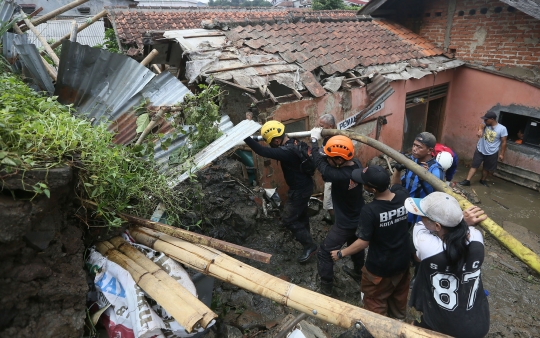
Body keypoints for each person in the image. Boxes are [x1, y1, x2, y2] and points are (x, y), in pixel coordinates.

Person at [405, 192, 490, 338]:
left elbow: (419, 252)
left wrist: (462, 219)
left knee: (412, 329)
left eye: (423, 216)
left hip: (442, 325)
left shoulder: (425, 244)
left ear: (437, 225)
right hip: (479, 323)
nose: (421, 219)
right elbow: (460, 232)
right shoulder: (477, 237)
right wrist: (461, 220)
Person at [330, 166, 410, 319]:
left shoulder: (370, 210)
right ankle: (399, 322)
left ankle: (379, 330)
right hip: (402, 262)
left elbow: (363, 242)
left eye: (364, 183)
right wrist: (398, 171)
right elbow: (396, 185)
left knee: (374, 302)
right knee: (399, 297)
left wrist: (341, 253)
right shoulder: (402, 196)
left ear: (372, 189)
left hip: (380, 269)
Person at [244, 121, 318, 263]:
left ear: (277, 140)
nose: (271, 145)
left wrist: (245, 138)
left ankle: (310, 246)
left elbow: (262, 151)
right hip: (305, 185)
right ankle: (306, 236)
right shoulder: (293, 142)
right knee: (301, 214)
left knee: (288, 219)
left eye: (271, 142)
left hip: (299, 190)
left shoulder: (287, 152)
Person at [310, 128, 364, 296]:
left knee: (325, 253)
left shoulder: (340, 175)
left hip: (346, 221)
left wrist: (313, 141)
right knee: (356, 246)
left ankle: (326, 289)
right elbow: (328, 165)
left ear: (340, 160)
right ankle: (359, 273)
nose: (327, 160)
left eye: (330, 158)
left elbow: (323, 169)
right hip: (359, 216)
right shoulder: (356, 164)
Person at [395, 132, 444, 225]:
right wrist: (398, 169)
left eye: (419, 147)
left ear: (429, 150)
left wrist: (424, 178)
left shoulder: (435, 170)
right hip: (404, 209)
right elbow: (401, 184)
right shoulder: (412, 161)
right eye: (414, 145)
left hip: (419, 217)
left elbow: (435, 196)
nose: (414, 149)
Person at [459, 111, 508, 187]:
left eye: (486, 119)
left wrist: (502, 154)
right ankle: (467, 181)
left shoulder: (502, 129)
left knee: (486, 168)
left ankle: (483, 180)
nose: (485, 120)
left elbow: (504, 142)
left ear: (492, 119)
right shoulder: (486, 123)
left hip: (492, 152)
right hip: (480, 149)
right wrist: (480, 130)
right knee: (474, 165)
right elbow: (481, 125)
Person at [318, 114, 337, 224]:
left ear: (330, 126)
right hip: (330, 175)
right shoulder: (327, 137)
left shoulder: (333, 140)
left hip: (332, 175)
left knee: (328, 203)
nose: (320, 129)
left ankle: (335, 223)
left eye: (322, 126)